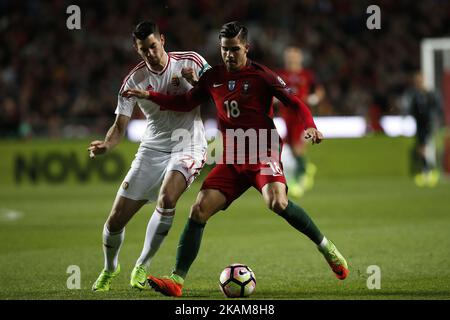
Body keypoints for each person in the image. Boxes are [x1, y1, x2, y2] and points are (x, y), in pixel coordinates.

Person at [123, 21, 348, 297]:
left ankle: (327, 247)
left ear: (246, 48)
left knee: (277, 202)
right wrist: (151, 95)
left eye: (234, 49)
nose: (228, 55)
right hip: (231, 158)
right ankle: (177, 280)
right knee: (198, 210)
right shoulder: (212, 77)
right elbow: (185, 102)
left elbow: (295, 103)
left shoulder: (262, 75)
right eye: (224, 50)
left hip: (262, 151)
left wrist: (309, 125)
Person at [89, 21, 210, 291]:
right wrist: (107, 145)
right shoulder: (133, 80)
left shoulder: (191, 61)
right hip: (152, 148)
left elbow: (219, 91)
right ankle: (110, 268)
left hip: (188, 145)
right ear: (137, 49)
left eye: (153, 46)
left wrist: (196, 82)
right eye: (144, 50)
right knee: (115, 219)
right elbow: (120, 126)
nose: (150, 54)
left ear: (163, 41)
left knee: (167, 198)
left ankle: (142, 265)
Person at [276, 46, 325, 197]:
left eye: (294, 56)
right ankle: (303, 171)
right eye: (289, 56)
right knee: (289, 147)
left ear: (300, 58)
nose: (291, 59)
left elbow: (319, 90)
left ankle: (301, 177)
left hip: (301, 117)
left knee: (297, 148)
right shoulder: (280, 74)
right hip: (286, 116)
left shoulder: (307, 75)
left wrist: (313, 98)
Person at [405, 72, 442, 187]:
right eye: (417, 81)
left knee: (426, 147)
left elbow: (436, 107)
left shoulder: (429, 93)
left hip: (429, 124)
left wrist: (436, 119)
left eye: (420, 80)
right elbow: (411, 109)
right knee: (422, 148)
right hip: (419, 124)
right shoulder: (414, 95)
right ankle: (428, 169)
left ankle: (429, 169)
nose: (418, 83)